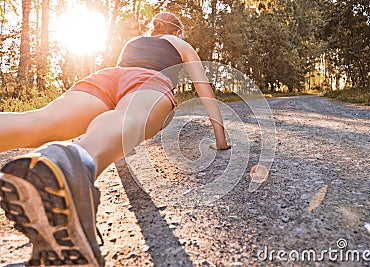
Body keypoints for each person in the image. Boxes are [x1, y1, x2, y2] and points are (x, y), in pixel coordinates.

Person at [0, 12, 231, 266]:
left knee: (38, 121)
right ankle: (70, 163)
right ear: (177, 30)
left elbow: (121, 80)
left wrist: (117, 149)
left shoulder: (134, 41)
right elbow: (204, 88)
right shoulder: (179, 43)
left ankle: (67, 165)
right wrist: (220, 138)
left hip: (106, 77)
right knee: (127, 116)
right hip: (148, 81)